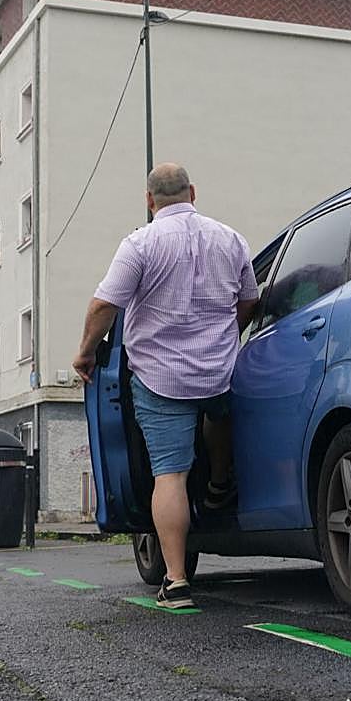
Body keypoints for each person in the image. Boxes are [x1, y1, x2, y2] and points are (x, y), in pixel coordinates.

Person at [73, 163, 260, 610]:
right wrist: (224, 334)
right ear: (193, 192)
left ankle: (176, 581)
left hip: (161, 377)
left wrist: (85, 352)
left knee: (169, 474)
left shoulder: (140, 244)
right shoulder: (230, 239)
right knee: (217, 413)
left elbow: (104, 304)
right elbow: (250, 299)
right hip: (218, 369)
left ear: (149, 200)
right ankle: (218, 483)